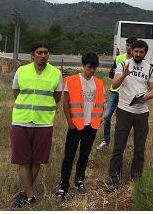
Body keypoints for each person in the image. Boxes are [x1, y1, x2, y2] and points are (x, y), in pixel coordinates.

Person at [10, 42, 63, 208]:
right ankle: (31, 195)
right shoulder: (21, 71)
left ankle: (25, 193)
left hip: (44, 122)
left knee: (37, 161)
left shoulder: (56, 73)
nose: (43, 55)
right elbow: (16, 93)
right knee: (23, 161)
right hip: (21, 120)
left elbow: (57, 97)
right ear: (32, 55)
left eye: (46, 52)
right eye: (39, 52)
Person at [108, 39, 153, 191]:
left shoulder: (149, 69)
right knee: (119, 146)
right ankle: (114, 179)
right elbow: (114, 85)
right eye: (136, 51)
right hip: (124, 111)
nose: (138, 54)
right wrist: (124, 74)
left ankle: (136, 178)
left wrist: (144, 98)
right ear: (132, 51)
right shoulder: (123, 65)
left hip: (142, 112)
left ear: (145, 53)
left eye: (141, 52)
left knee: (139, 148)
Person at [56, 52, 104, 201]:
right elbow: (65, 102)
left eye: (94, 68)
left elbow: (100, 103)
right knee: (69, 156)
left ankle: (79, 180)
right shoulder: (71, 80)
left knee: (84, 155)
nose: (92, 71)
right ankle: (63, 186)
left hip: (91, 126)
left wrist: (99, 120)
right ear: (83, 65)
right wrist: (70, 123)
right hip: (76, 126)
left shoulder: (99, 83)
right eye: (90, 67)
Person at [98, 37, 136, 150]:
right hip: (115, 92)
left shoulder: (137, 60)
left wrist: (118, 73)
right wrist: (121, 74)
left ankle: (120, 144)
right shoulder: (119, 58)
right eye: (127, 45)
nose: (129, 47)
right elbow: (111, 74)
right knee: (107, 116)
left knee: (122, 121)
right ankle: (106, 140)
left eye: (131, 45)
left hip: (127, 93)